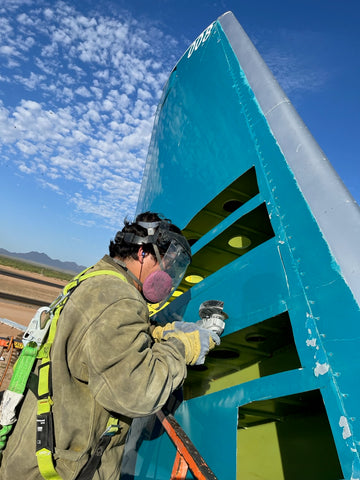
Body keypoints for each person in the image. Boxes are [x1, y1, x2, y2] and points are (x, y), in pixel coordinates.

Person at [0, 212, 220, 480]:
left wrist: (156, 333)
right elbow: (141, 391)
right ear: (143, 253)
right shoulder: (116, 298)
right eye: (167, 265)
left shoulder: (95, 280)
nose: (169, 278)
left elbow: (99, 339)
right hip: (57, 471)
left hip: (33, 460)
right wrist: (182, 345)